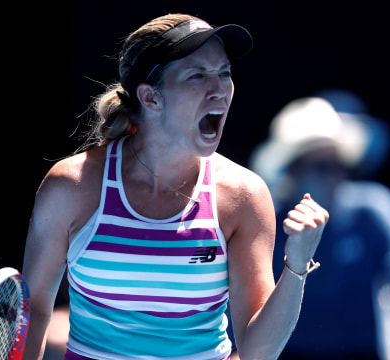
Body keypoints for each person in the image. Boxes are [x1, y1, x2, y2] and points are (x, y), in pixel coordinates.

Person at [22, 14, 329, 360]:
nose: (219, 89)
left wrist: (297, 265)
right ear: (151, 98)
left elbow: (258, 352)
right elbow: (30, 317)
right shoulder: (72, 187)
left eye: (224, 73)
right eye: (197, 75)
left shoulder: (244, 196)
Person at [249, 95, 390, 360]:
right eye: (322, 167)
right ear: (292, 171)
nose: (335, 176)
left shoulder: (375, 209)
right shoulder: (266, 218)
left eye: (340, 165)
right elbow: (241, 298)